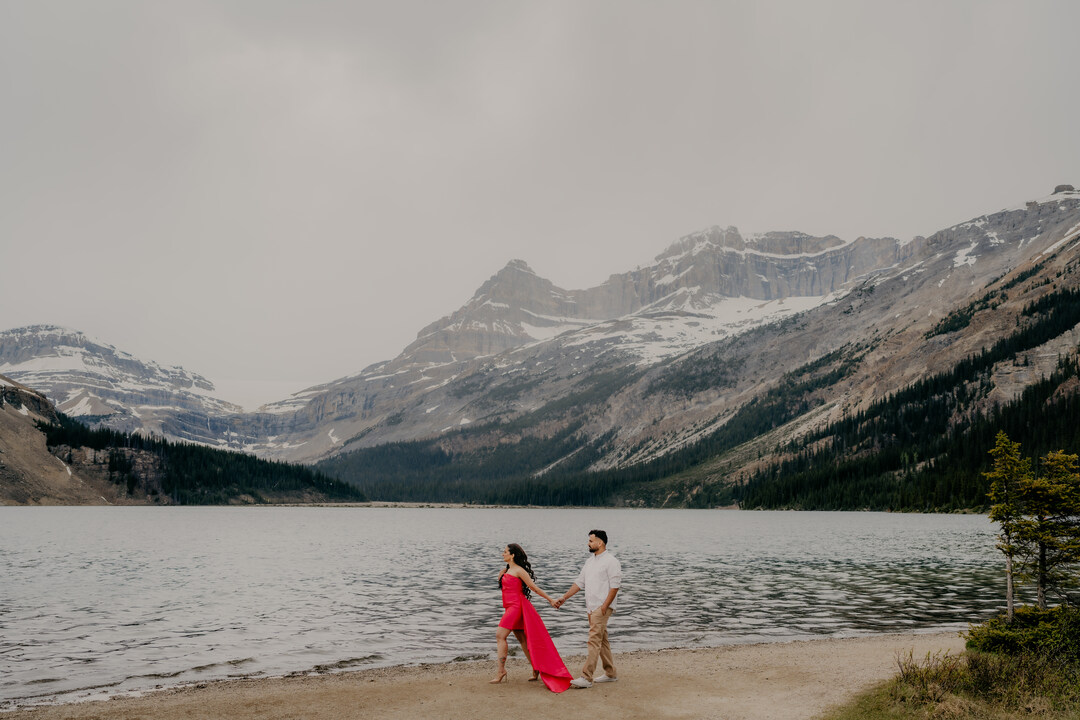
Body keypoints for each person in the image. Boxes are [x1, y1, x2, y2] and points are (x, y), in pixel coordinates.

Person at [492, 543, 572, 693]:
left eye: (505, 552)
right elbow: (506, 589)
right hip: (509, 607)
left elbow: (534, 588)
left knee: (500, 635)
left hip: (516, 607)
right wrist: (501, 576)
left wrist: (551, 600)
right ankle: (535, 669)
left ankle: (501, 671)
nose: (502, 554)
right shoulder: (505, 570)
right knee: (522, 639)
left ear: (512, 555)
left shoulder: (519, 570)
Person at [553, 529, 622, 689]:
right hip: (591, 607)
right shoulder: (590, 562)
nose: (588, 543)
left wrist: (605, 606)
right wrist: (564, 597)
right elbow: (580, 583)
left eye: (591, 541)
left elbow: (615, 586)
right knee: (602, 640)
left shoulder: (611, 561)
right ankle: (610, 673)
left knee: (593, 640)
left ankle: (586, 677)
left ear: (600, 542)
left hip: (602, 607)